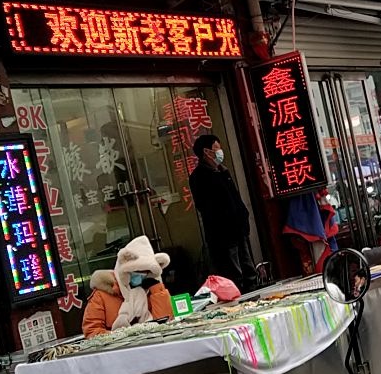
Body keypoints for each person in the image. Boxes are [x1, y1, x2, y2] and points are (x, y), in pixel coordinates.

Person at [188, 132, 258, 290]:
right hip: (223, 234)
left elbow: (235, 199)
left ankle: (252, 289)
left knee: (248, 267)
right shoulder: (199, 177)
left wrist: (243, 217)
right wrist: (226, 222)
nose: (220, 152)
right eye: (217, 148)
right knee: (233, 272)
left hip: (239, 229)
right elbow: (206, 208)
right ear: (207, 151)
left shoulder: (222, 171)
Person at [83, 235, 173, 338]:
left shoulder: (150, 290)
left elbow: (165, 324)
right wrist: (125, 336)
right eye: (135, 272)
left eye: (144, 273)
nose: (139, 277)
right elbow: (91, 331)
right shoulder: (102, 294)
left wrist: (157, 289)